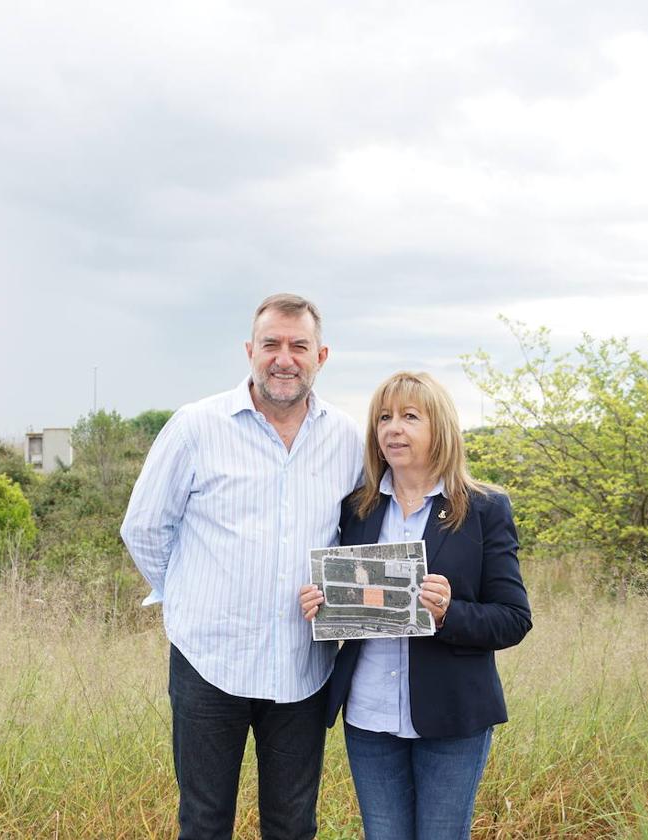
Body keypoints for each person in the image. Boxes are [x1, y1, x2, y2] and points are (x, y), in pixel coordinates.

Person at [121, 293, 362, 840]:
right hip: (210, 662)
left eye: (298, 346)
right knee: (205, 823)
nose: (284, 358)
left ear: (321, 356)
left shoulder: (347, 438)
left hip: (304, 667)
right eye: (271, 344)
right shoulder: (195, 426)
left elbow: (360, 535)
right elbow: (144, 528)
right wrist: (187, 596)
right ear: (249, 350)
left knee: (293, 824)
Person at [299, 371, 531, 840]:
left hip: (451, 717)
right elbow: (355, 601)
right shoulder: (357, 508)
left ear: (439, 428)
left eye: (409, 416)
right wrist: (322, 603)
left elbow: (513, 618)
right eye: (384, 418)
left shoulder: (484, 508)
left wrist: (447, 614)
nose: (392, 428)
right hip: (368, 715)